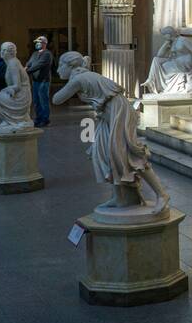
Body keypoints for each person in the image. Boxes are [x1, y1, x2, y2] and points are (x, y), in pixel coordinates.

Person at [53, 52, 169, 215]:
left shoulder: (79, 79)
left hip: (118, 112)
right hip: (108, 114)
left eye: (60, 65)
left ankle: (162, 194)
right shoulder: (83, 77)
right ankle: (120, 197)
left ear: (71, 66)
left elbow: (57, 99)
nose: (57, 70)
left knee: (127, 154)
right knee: (104, 152)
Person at [26, 35, 53, 128]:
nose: (37, 44)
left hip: (43, 81)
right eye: (36, 42)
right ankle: (38, 119)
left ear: (44, 43)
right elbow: (29, 63)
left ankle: (45, 120)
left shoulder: (47, 54)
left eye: (39, 42)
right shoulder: (34, 54)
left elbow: (38, 65)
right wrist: (24, 68)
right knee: (36, 101)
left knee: (43, 100)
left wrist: (27, 71)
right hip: (35, 81)